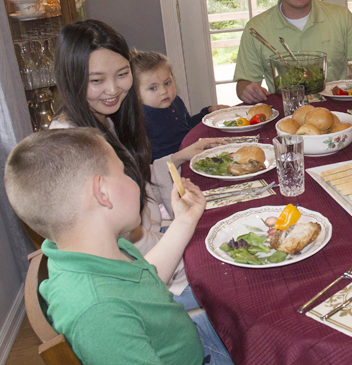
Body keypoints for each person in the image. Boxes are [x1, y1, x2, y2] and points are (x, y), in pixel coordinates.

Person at [4, 128, 232, 364]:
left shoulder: (93, 249)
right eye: (124, 173)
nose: (135, 181)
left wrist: (185, 220)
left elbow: (144, 284)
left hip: (187, 339)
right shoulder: (98, 312)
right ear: (102, 192)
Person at [50, 19, 225, 304]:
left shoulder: (107, 118)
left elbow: (138, 178)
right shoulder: (72, 148)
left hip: (158, 240)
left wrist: (177, 157)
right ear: (72, 78)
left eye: (121, 74)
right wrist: (186, 238)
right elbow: (127, 245)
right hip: (147, 276)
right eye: (96, 80)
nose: (112, 89)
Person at [131, 50, 229, 161]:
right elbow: (151, 158)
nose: (164, 91)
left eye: (167, 83)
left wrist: (207, 112)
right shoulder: (142, 117)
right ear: (137, 94)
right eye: (153, 88)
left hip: (193, 151)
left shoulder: (175, 102)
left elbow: (187, 125)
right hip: (173, 165)